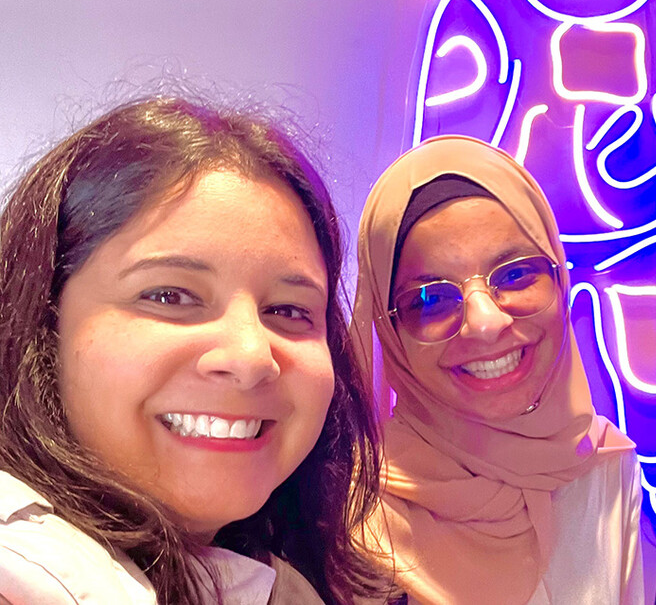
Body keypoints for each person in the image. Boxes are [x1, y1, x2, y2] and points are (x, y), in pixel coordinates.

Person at [0, 98, 391, 605]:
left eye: (290, 310)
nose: (252, 355)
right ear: (42, 324)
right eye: (169, 296)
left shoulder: (277, 575)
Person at [351, 135, 644, 605]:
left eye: (515, 274)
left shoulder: (601, 467)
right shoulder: (355, 513)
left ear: (560, 275)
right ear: (389, 332)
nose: (486, 323)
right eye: (431, 299)